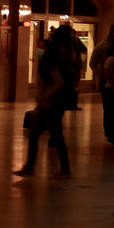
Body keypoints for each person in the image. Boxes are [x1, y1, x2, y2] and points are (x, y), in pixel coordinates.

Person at [16, 24, 77, 179]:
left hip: (52, 103)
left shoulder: (53, 59)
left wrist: (45, 96)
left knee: (50, 135)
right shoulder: (65, 53)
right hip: (52, 102)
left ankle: (61, 168)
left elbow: (58, 82)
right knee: (40, 134)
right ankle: (32, 167)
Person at [90, 24, 114, 145]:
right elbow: (93, 63)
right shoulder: (102, 46)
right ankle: (110, 132)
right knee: (109, 108)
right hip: (107, 80)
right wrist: (101, 75)